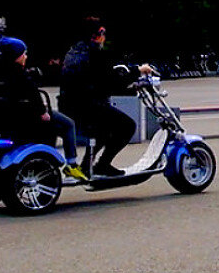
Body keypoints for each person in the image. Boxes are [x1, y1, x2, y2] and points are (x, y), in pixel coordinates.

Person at [0, 14, 87, 180]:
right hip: (13, 113)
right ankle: (70, 164)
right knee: (67, 124)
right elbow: (28, 89)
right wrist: (42, 111)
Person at [58, 17, 152, 177]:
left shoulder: (74, 52)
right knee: (127, 126)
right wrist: (138, 71)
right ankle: (102, 164)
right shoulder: (94, 54)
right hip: (87, 107)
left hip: (70, 106)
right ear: (96, 35)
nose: (104, 37)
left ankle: (87, 166)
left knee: (104, 128)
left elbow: (100, 81)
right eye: (103, 33)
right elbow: (111, 81)